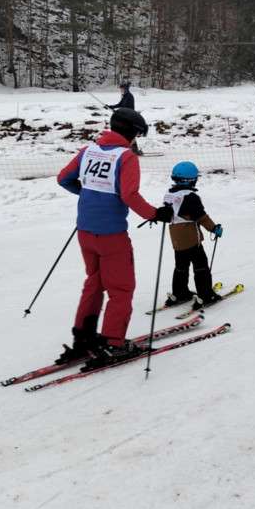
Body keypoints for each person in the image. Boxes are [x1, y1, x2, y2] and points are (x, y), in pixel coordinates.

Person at [56, 108, 173, 371]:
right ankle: (113, 344)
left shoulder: (88, 151)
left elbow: (63, 179)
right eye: (139, 134)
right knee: (121, 290)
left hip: (85, 232)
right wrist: (156, 214)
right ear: (132, 132)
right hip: (111, 235)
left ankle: (83, 338)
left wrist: (91, 196)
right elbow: (129, 195)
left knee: (94, 283)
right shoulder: (126, 157)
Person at [163, 161, 223, 306]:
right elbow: (201, 216)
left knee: (181, 266)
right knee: (200, 265)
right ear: (192, 179)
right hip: (190, 238)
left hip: (176, 238)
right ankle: (206, 295)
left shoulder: (170, 194)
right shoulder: (190, 196)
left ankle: (180, 293)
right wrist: (214, 228)